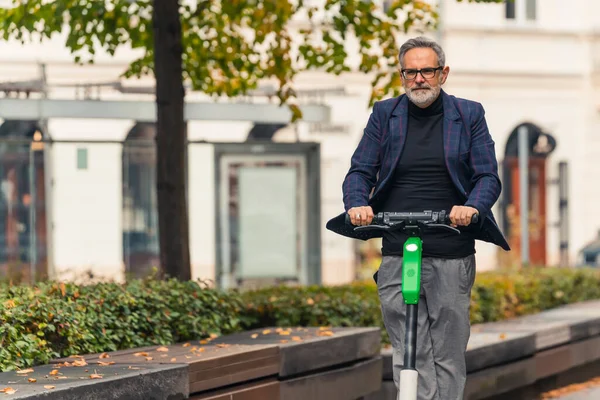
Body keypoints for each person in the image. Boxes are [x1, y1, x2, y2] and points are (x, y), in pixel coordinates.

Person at [326, 36, 510, 400]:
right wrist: (357, 204)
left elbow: (487, 175)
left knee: (447, 352)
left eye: (427, 70)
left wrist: (471, 207)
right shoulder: (385, 114)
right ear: (402, 76)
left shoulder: (468, 114)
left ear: (443, 73)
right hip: (398, 245)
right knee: (409, 350)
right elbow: (360, 171)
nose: (419, 79)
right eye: (410, 72)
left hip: (450, 245)